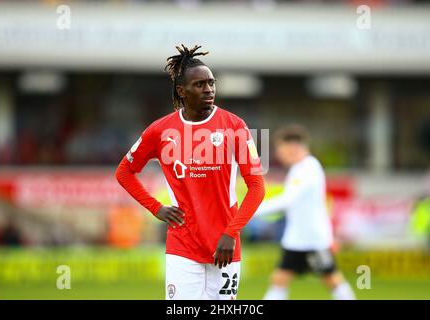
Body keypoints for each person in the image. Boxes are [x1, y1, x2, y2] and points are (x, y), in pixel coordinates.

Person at [115, 45, 265, 300]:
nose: (209, 89)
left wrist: (231, 233)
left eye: (211, 83)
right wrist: (156, 208)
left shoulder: (235, 126)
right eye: (200, 84)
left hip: (225, 246)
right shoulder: (160, 130)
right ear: (181, 91)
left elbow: (257, 187)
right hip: (182, 247)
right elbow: (124, 172)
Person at [255, 124, 355, 300]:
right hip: (297, 238)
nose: (278, 154)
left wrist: (249, 211)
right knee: (280, 279)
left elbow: (287, 200)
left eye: (280, 148)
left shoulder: (308, 168)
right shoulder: (299, 169)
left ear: (292, 147)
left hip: (312, 240)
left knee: (331, 279)